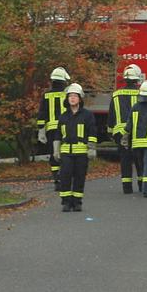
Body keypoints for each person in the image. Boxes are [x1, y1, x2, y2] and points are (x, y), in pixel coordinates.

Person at [54, 83, 97, 212]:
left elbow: (92, 132)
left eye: (75, 96)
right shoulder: (63, 116)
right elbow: (58, 134)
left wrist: (91, 148)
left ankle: (77, 202)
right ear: (67, 99)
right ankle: (66, 202)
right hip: (66, 152)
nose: (72, 98)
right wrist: (56, 150)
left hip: (82, 153)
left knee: (79, 177)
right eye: (70, 96)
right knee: (65, 177)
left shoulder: (87, 115)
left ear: (80, 99)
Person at [107, 64, 143, 193]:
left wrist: (111, 132)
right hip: (138, 132)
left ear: (125, 79)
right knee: (140, 159)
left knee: (125, 160)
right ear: (137, 79)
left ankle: (127, 187)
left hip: (120, 132)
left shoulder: (116, 95)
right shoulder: (141, 94)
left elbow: (111, 115)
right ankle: (141, 184)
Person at [37, 67, 70, 189]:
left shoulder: (46, 95)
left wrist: (41, 130)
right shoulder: (67, 94)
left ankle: (57, 180)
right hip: (66, 128)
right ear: (63, 81)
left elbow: (41, 114)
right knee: (66, 153)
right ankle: (64, 177)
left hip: (51, 130)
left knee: (54, 154)